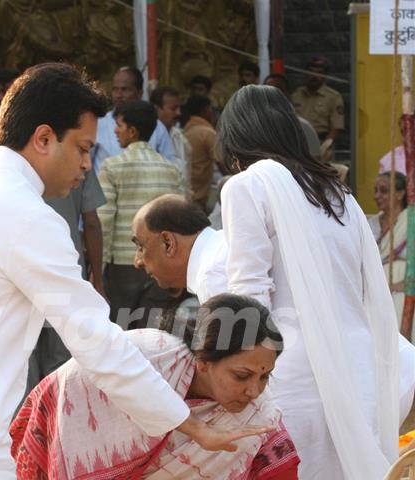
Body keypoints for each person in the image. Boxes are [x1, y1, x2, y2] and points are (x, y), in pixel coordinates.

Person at [0, 63, 268, 479]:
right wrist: (190, 423)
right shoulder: (26, 214)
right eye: (83, 148)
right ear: (44, 138)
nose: (87, 165)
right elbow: (96, 340)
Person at [217, 84, 400, 479]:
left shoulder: (247, 186)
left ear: (236, 139)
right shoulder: (339, 194)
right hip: (357, 364)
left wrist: (238, 374)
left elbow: (248, 294)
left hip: (293, 369)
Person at [133, 192, 415, 429]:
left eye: (140, 247)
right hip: (381, 371)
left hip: (373, 385)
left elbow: (248, 360)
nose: (137, 262)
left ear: (168, 242)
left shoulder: (213, 271)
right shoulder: (222, 251)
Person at [11, 294, 301, 479]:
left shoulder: (259, 419)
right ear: (203, 361)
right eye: (242, 375)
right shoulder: (145, 357)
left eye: (265, 377)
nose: (254, 391)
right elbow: (62, 392)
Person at [98, 100, 186, 329]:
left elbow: (104, 221)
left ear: (132, 131)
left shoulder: (112, 166)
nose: (115, 131)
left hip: (123, 267)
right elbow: (182, 223)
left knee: (121, 332)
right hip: (162, 266)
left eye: (119, 125)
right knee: (154, 333)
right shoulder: (171, 170)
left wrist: (98, 268)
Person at [27, 170, 107, 390]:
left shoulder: (19, 162)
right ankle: (55, 420)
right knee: (61, 365)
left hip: (24, 277)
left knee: (25, 364)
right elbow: (91, 223)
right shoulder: (79, 162)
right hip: (66, 277)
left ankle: (27, 422)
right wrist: (98, 281)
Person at [91, 67, 178, 173]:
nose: (118, 95)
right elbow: (85, 167)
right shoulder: (97, 124)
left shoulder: (157, 127)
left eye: (125, 89)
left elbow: (170, 167)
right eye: (115, 89)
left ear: (139, 93)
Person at [369, 172, 409, 334]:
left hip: (402, 294)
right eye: (375, 190)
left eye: (384, 191)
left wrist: (404, 285)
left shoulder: (410, 221)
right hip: (375, 294)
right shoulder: (371, 224)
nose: (377, 195)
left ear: (400, 194)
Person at [263, 73, 321, 159]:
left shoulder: (304, 128)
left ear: (288, 95)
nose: (272, 95)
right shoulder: (254, 128)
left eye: (278, 90)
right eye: (267, 91)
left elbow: (315, 163)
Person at [291, 57, 344, 143]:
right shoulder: (296, 95)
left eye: (319, 73)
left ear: (325, 76)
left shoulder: (333, 97)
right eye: (311, 72)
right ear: (305, 74)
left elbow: (336, 128)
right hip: (298, 143)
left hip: (321, 142)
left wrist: (326, 146)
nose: (314, 76)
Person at [183, 95, 220, 212]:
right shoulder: (207, 133)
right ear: (205, 110)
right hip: (197, 198)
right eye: (211, 109)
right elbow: (222, 161)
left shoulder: (186, 130)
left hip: (187, 193)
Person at [150, 86, 191, 187]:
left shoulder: (179, 137)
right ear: (156, 109)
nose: (178, 113)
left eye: (179, 108)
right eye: (173, 109)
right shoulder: (148, 137)